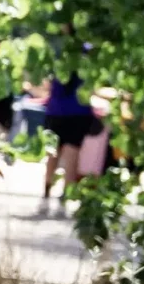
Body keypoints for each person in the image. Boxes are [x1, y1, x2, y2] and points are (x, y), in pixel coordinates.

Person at [38, 76, 101, 208]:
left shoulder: (57, 55)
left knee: (52, 152)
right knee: (72, 152)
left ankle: (47, 187)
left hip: (55, 110)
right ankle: (66, 192)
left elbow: (46, 84)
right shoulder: (88, 56)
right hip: (79, 110)